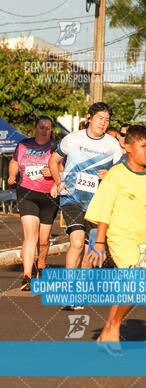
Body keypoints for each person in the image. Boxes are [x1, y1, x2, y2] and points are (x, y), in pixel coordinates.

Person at [85, 125, 146, 343]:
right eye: (142, 146)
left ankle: (109, 331)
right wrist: (99, 242)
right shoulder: (116, 175)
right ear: (128, 147)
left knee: (133, 288)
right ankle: (113, 326)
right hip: (121, 237)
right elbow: (104, 209)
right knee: (136, 284)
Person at [49, 102, 122, 310]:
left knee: (91, 249)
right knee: (77, 242)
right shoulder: (73, 139)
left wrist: (109, 174)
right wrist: (57, 181)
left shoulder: (112, 144)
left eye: (107, 120)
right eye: (100, 118)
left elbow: (120, 172)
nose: (103, 123)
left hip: (97, 203)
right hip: (72, 197)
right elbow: (53, 160)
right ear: (89, 118)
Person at [8, 116, 59, 290]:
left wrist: (53, 174)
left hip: (49, 196)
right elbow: (14, 162)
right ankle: (27, 276)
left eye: (48, 128)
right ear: (35, 128)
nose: (45, 131)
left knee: (43, 240)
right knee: (31, 236)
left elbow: (63, 169)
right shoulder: (23, 145)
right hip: (27, 193)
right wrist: (12, 175)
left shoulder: (55, 147)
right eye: (41, 127)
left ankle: (42, 263)